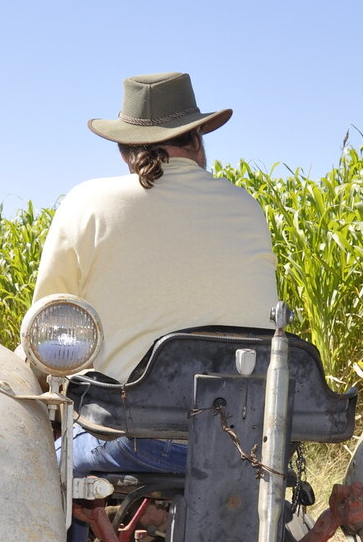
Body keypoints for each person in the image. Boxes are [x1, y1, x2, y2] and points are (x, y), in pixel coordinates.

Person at [33, 71, 280, 477]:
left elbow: (46, 322)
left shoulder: (88, 203)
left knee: (40, 476)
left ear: (123, 149)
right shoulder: (246, 207)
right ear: (197, 139)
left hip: (135, 440)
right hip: (243, 441)